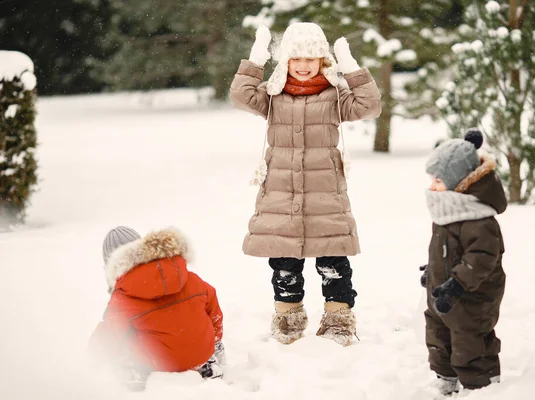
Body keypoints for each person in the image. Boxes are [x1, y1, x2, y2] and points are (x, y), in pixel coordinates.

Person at [230, 22, 381, 346]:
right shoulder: (273, 95)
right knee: (284, 263)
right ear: (285, 60)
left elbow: (369, 106)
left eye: (310, 58)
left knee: (333, 262)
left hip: (324, 195)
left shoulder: (334, 95)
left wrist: (350, 66)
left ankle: (339, 322)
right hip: (282, 195)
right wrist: (257, 56)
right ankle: (288, 320)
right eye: (295, 57)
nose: (302, 64)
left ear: (323, 61)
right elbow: (241, 95)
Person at [420, 129, 507, 394]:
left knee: (470, 341)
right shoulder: (448, 212)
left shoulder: (478, 218)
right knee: (438, 336)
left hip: (472, 296)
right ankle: (446, 378)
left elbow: (481, 258)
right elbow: (445, 251)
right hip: (443, 293)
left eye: (437, 181)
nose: (432, 187)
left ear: (458, 180)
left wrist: (457, 284)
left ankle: (482, 386)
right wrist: (432, 272)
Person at [88, 226, 225, 390]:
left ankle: (135, 373)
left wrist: (90, 359)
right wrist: (214, 340)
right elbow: (213, 308)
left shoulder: (123, 297)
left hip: (160, 362)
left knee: (122, 330)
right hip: (201, 351)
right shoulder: (186, 276)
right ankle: (207, 362)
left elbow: (107, 335)